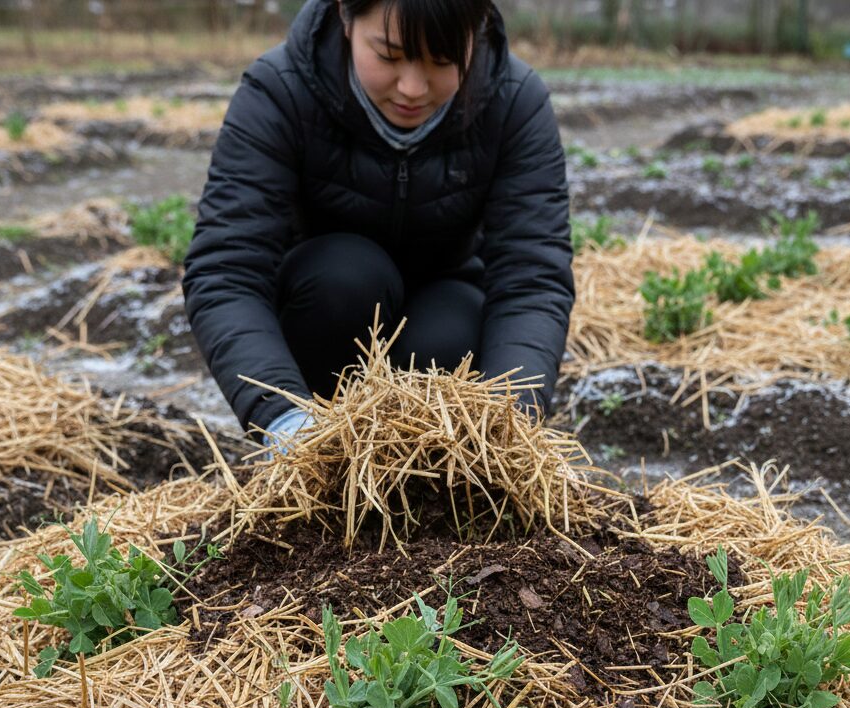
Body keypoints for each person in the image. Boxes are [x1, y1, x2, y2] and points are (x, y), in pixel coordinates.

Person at [182, 0, 574, 450]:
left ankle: (423, 471)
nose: (411, 88)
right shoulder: (280, 90)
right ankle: (322, 450)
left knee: (449, 341)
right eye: (388, 56)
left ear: (477, 30)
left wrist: (509, 426)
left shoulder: (515, 100)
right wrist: (279, 415)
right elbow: (226, 269)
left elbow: (533, 278)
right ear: (346, 16)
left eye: (442, 61)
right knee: (346, 277)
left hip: (444, 299)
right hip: (325, 307)